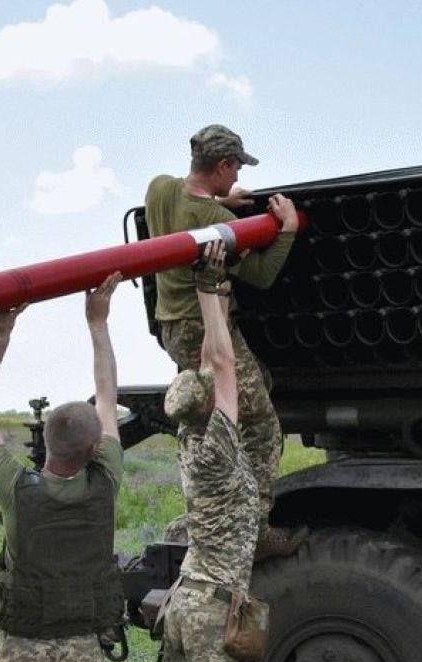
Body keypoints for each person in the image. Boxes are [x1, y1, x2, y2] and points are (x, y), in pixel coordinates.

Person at [0, 273, 124, 662]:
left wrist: (1, 336)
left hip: (20, 651)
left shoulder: (16, 488)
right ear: (94, 451)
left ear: (46, 440)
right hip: (82, 651)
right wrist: (98, 322)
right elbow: (107, 398)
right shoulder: (105, 481)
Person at [144, 123, 304, 558]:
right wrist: (286, 229)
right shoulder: (217, 223)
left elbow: (186, 203)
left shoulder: (158, 189)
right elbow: (261, 275)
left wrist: (218, 200)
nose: (237, 178)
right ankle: (253, 529)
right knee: (262, 428)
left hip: (171, 326)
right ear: (222, 165)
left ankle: (200, 514)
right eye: (235, 169)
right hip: (207, 328)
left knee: (207, 419)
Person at [158, 243, 260, 662]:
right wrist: (208, 285)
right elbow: (222, 364)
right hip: (210, 612)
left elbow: (207, 361)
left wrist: (212, 296)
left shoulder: (188, 435)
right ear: (208, 405)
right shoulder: (218, 446)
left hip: (183, 606)